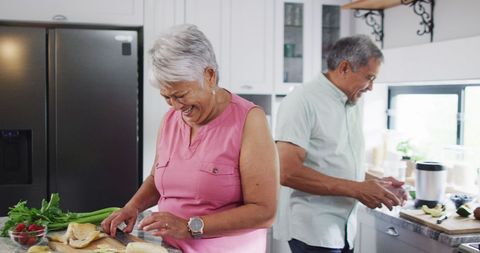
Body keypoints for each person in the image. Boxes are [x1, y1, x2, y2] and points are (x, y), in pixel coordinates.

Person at [101, 24, 278, 253]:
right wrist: (132, 207)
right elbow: (158, 178)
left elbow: (264, 211)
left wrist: (190, 226)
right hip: (170, 248)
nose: (175, 106)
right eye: (167, 97)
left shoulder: (249, 121)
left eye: (181, 95)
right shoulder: (170, 120)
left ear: (209, 75)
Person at [273, 35, 408, 253]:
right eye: (369, 78)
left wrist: (378, 184)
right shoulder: (302, 101)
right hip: (313, 230)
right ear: (344, 68)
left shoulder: (350, 102)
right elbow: (287, 172)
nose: (372, 87)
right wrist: (358, 189)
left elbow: (333, 162)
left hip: (343, 229)